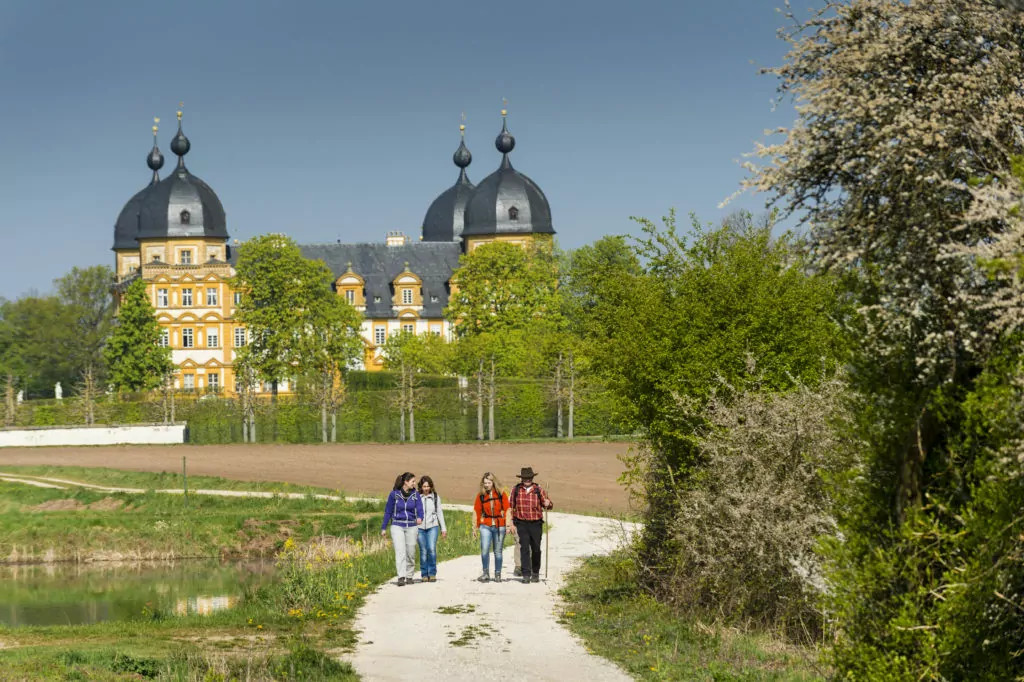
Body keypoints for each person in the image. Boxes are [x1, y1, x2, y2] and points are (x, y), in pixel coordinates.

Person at [507, 466, 554, 584]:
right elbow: (511, 507)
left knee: (536, 549)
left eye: (529, 478)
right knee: (524, 549)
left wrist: (548, 503)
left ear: (532, 478)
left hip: (536, 523)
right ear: (521, 479)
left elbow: (548, 505)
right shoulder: (516, 490)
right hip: (521, 523)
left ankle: (535, 572)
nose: (527, 480)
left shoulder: (539, 490)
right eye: (525, 478)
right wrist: (511, 523)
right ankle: (526, 574)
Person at [381, 472, 423, 586]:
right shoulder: (394, 495)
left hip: (411, 526)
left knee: (410, 552)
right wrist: (384, 527)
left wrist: (420, 517)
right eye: (413, 481)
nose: (415, 483)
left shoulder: (416, 495)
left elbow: (420, 508)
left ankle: (409, 576)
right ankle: (401, 576)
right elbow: (388, 511)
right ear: (406, 482)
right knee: (400, 551)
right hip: (397, 525)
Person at [472, 471, 510, 582]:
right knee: (484, 550)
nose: (486, 485)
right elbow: (476, 511)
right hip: (486, 525)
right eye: (485, 483)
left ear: (493, 482)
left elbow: (507, 509)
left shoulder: (501, 494)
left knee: (498, 551)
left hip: (499, 526)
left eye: (488, 483)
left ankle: (498, 574)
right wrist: (474, 528)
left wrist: (507, 525)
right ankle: (485, 573)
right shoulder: (481, 496)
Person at [417, 475, 447, 583]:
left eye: (428, 486)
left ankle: (432, 573)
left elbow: (439, 513)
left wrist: (443, 528)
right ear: (421, 487)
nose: (426, 488)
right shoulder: (417, 497)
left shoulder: (435, 497)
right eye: (424, 486)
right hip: (419, 528)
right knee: (423, 551)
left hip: (432, 527)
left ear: (431, 486)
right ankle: (424, 574)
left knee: (431, 549)